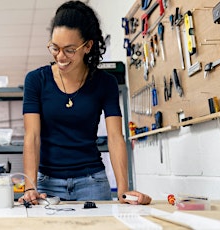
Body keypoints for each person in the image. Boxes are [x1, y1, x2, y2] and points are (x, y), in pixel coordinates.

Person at [19, 1, 151, 205]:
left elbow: (116, 137)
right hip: (47, 184)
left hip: (92, 183)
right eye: (55, 47)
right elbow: (32, 136)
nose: (60, 56)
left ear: (88, 46)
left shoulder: (105, 83)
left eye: (69, 50)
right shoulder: (36, 80)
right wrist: (30, 187)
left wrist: (123, 191)